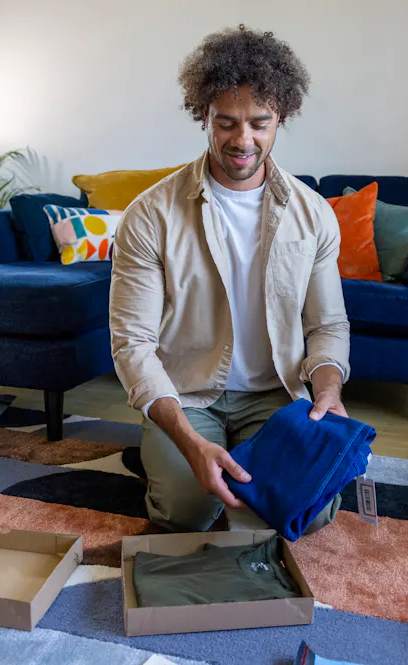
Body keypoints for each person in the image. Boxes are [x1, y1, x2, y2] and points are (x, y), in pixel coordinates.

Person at [109, 25, 350, 533]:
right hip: (187, 395)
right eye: (227, 123)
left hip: (276, 396)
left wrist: (328, 389)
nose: (243, 140)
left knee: (311, 510)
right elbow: (132, 344)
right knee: (187, 512)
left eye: (260, 123)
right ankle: (167, 459)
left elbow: (327, 325)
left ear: (280, 117)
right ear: (204, 117)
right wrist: (187, 443)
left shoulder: (314, 216)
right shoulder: (150, 214)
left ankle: (233, 465)